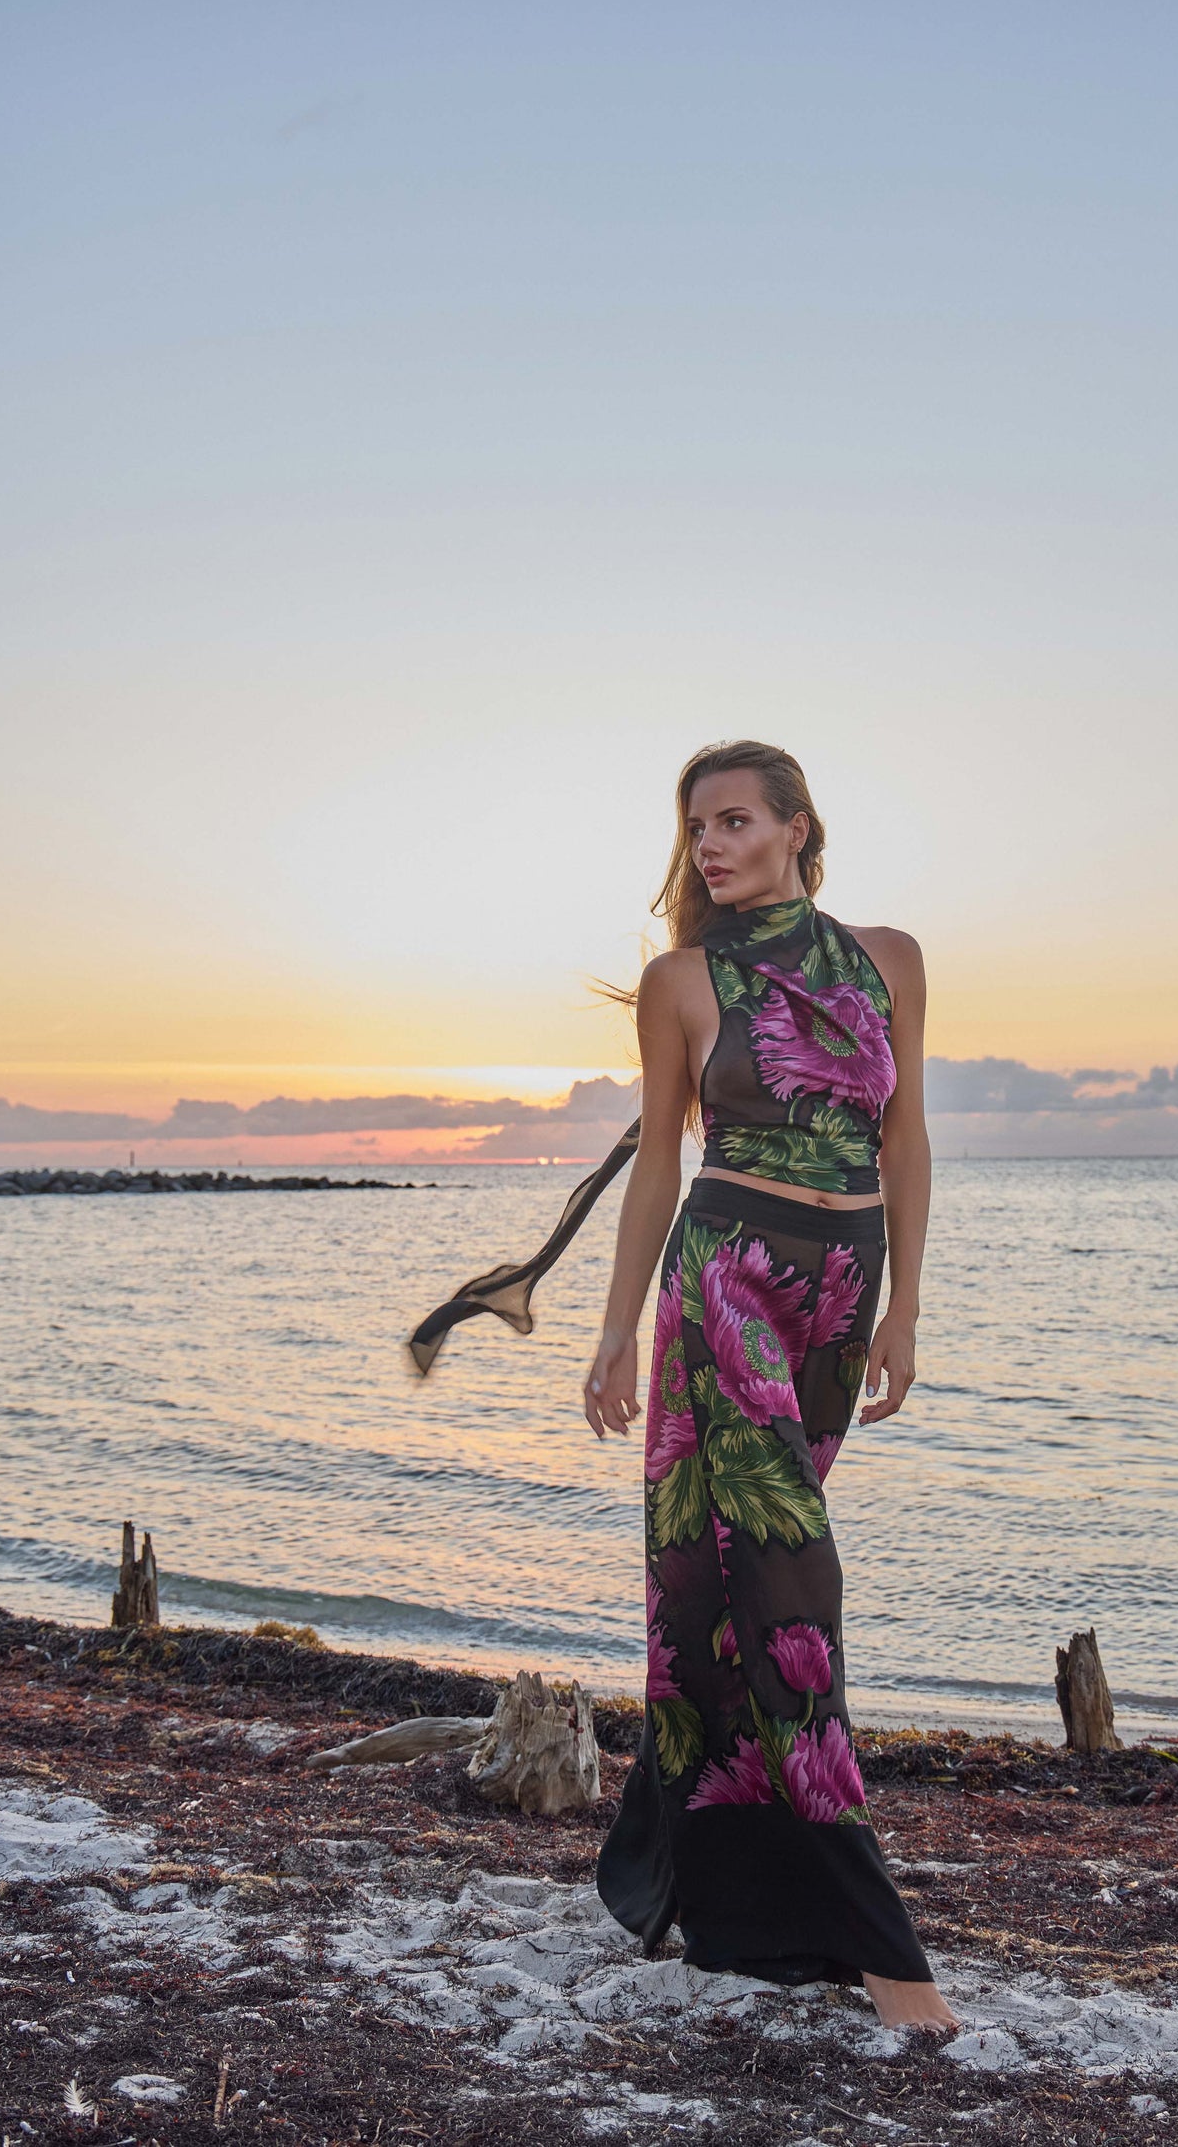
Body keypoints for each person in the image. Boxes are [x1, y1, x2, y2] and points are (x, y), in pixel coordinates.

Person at [408, 738, 959, 2034]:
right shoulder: (681, 981)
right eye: (694, 825)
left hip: (840, 1291)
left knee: (722, 1588)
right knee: (787, 1580)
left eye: (731, 820)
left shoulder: (892, 959)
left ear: (793, 826)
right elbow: (660, 1160)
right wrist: (611, 1325)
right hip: (724, 1287)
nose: (708, 845)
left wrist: (908, 1308)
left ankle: (725, 1892)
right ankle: (889, 1957)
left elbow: (908, 1131)